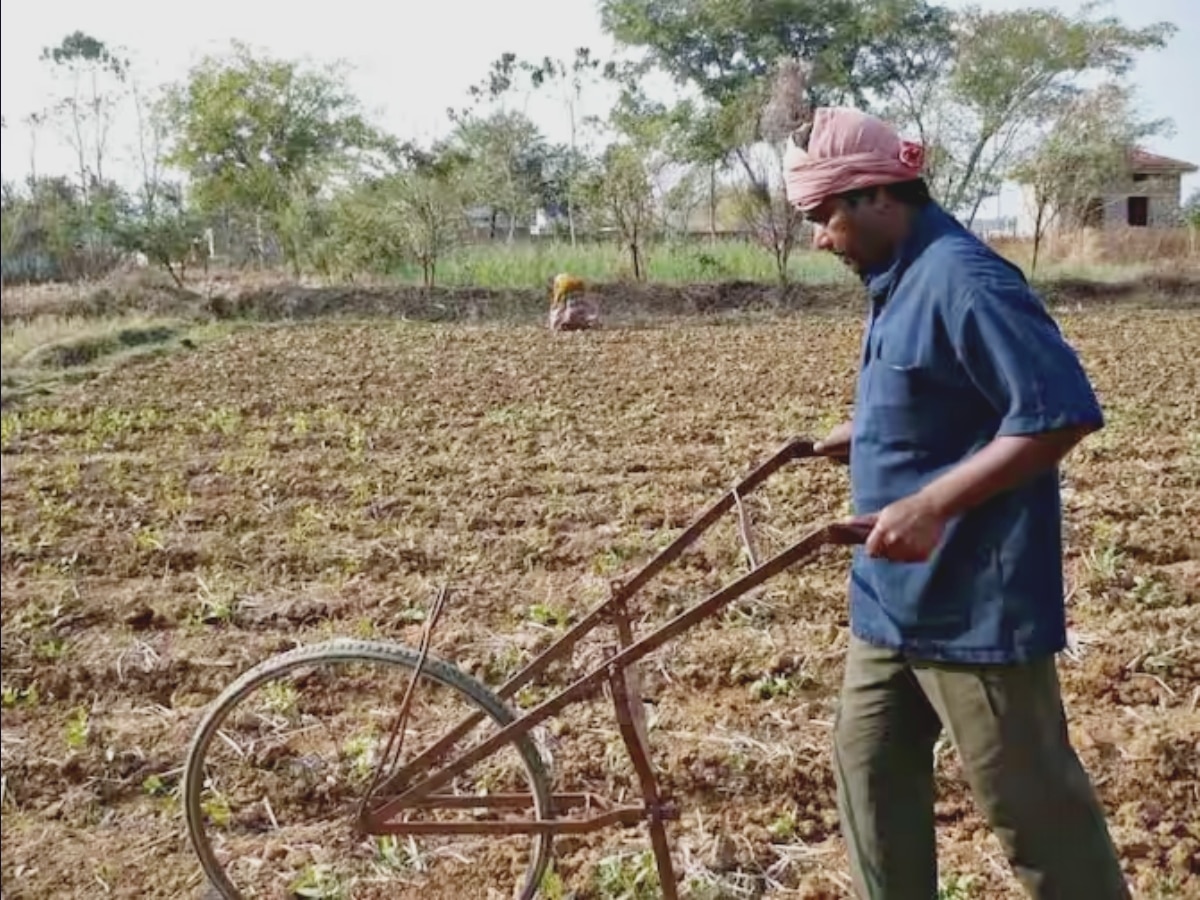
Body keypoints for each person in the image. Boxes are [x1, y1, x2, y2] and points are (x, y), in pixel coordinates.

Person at [783, 107, 1129, 900]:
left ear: (875, 195)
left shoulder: (963, 278)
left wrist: (933, 502)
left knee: (1032, 813)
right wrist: (867, 432)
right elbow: (941, 392)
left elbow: (1059, 411)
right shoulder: (894, 275)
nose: (818, 239)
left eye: (822, 217)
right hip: (889, 601)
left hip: (973, 606)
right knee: (868, 776)